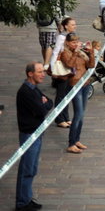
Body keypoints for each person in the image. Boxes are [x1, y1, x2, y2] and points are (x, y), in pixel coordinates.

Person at [16, 62, 53, 211]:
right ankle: (22, 203)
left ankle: (27, 198)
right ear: (30, 74)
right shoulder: (26, 91)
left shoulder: (34, 89)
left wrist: (44, 103)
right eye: (39, 72)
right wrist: (43, 104)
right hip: (29, 134)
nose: (43, 74)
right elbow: (41, 110)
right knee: (27, 168)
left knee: (32, 168)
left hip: (36, 133)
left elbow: (49, 102)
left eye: (43, 71)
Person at [59, 32, 95, 154]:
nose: (76, 44)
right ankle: (71, 143)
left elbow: (91, 65)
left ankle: (77, 139)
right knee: (78, 114)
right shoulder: (65, 53)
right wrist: (75, 51)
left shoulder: (80, 52)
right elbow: (69, 64)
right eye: (73, 42)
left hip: (85, 84)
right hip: (75, 85)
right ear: (67, 43)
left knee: (82, 114)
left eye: (77, 41)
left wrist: (91, 52)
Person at [50, 17, 75, 129]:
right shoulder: (61, 37)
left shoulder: (69, 36)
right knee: (61, 94)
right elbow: (55, 53)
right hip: (62, 68)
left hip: (68, 67)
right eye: (72, 24)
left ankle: (66, 117)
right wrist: (52, 68)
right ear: (66, 26)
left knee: (66, 94)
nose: (74, 26)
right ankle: (59, 118)